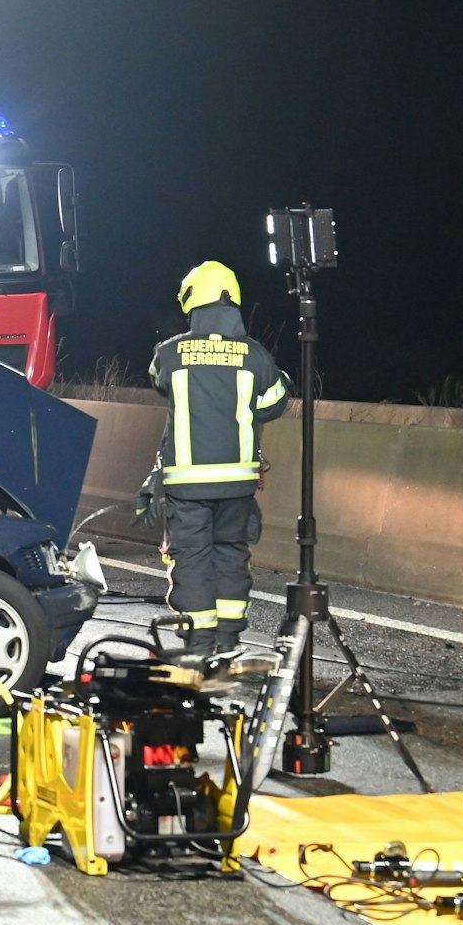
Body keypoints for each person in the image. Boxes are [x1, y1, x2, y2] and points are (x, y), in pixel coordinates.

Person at [147, 260, 291, 655]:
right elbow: (275, 404)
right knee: (231, 556)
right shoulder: (256, 356)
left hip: (188, 484)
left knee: (192, 558)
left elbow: (159, 382)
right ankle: (228, 643)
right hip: (238, 484)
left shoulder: (169, 352)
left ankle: (198, 646)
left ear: (193, 301)